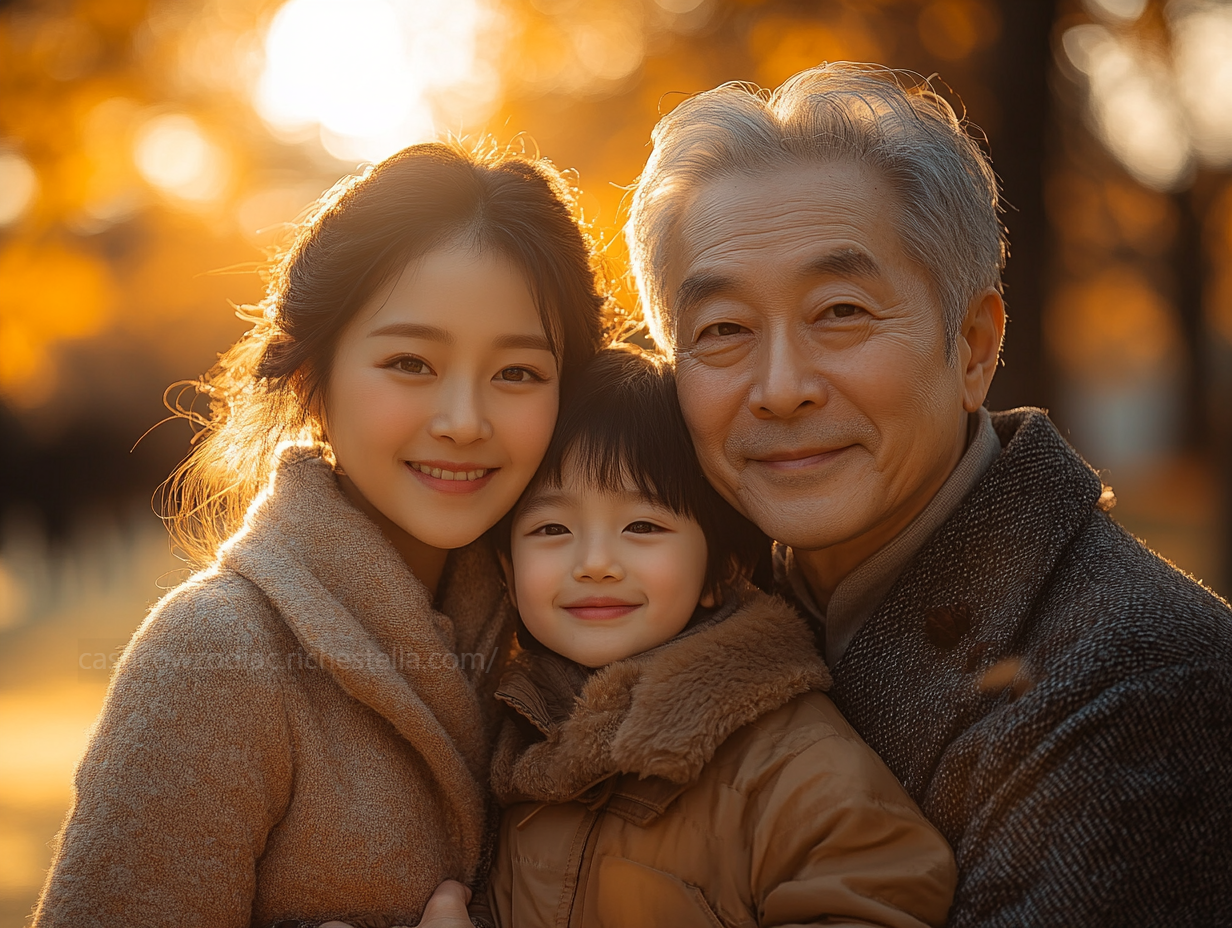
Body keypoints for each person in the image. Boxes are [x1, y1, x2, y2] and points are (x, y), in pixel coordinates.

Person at [624, 62, 1232, 926]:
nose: (781, 386)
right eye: (722, 330)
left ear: (975, 346)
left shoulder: (1142, 685)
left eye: (841, 311)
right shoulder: (662, 620)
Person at [34, 142, 606, 927]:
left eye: (518, 373)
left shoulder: (574, 638)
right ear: (313, 377)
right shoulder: (216, 657)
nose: (465, 422)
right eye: (411, 362)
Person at [478, 346, 957, 928]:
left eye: (643, 526)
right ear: (507, 572)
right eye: (552, 528)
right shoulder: (511, 750)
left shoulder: (789, 764)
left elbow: (876, 899)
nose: (595, 563)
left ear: (723, 568)